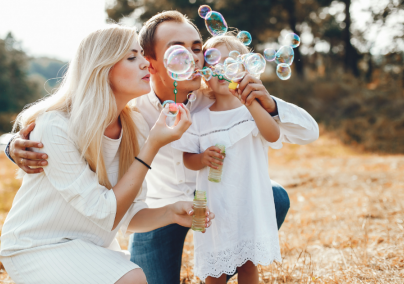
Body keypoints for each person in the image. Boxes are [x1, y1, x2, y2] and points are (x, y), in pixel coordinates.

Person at [5, 11, 318, 284]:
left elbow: (306, 133)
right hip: (155, 212)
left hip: (213, 205)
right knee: (139, 279)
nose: (194, 58)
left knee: (274, 194)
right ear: (151, 62)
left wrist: (270, 103)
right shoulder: (134, 109)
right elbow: (55, 122)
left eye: (198, 49)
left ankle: (225, 266)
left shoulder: (220, 95)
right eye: (178, 50)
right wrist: (12, 146)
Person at [0, 24, 215, 284]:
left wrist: (170, 212)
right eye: (132, 57)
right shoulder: (56, 126)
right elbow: (103, 212)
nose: (145, 64)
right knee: (132, 278)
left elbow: (130, 214)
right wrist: (153, 146)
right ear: (102, 67)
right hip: (37, 244)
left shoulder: (134, 126)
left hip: (89, 245)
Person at [171, 33, 315, 283]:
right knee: (214, 273)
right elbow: (187, 159)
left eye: (230, 62)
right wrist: (203, 158)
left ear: (245, 70)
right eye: (213, 63)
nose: (221, 69)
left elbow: (272, 135)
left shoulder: (252, 111)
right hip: (214, 206)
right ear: (205, 74)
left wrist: (253, 105)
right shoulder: (199, 116)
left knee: (248, 266)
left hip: (248, 202)